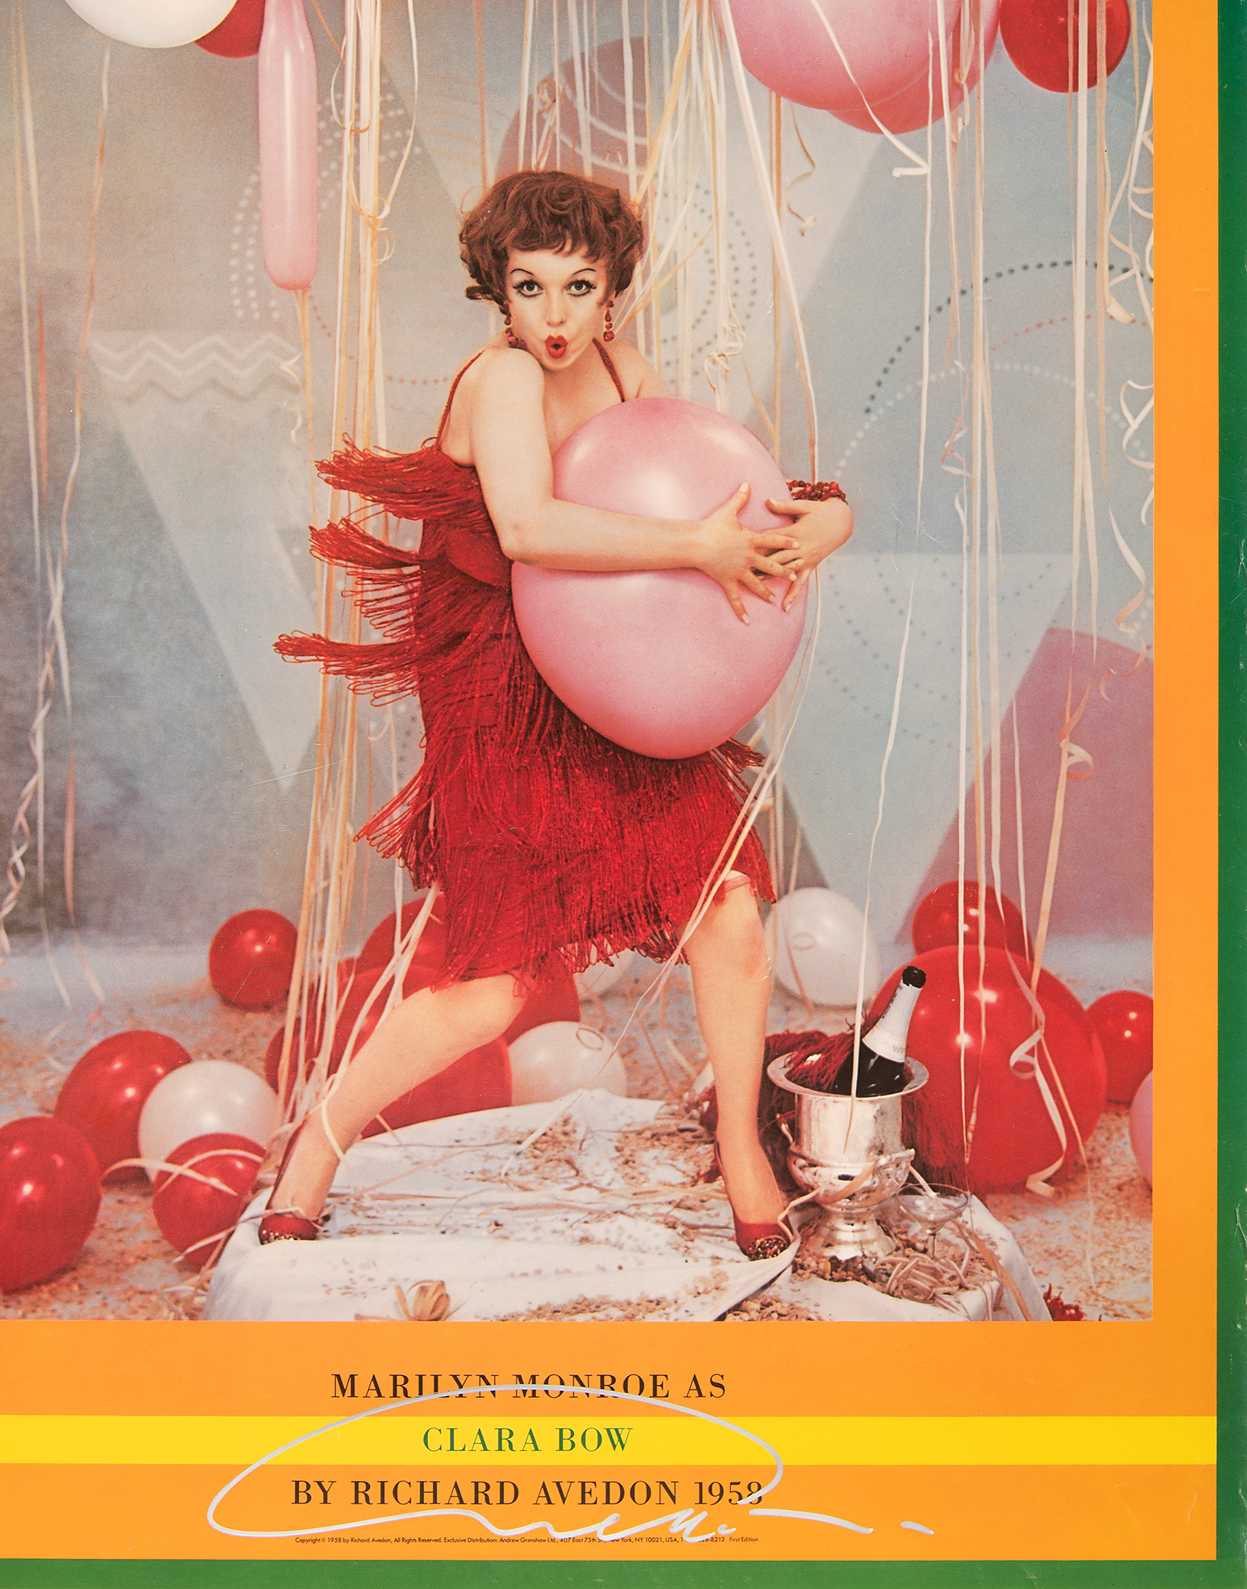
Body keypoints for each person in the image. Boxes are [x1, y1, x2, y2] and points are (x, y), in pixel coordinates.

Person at [260, 169, 852, 1259]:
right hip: (502, 688)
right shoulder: (498, 381)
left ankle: (740, 1145)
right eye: (527, 286)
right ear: (496, 288)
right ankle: (318, 1143)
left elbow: (713, 489)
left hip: (613, 670)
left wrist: (828, 518)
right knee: (491, 989)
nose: (553, 316)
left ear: (613, 288)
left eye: (578, 286)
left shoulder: (627, 373)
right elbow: (529, 530)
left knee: (726, 907)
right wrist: (699, 548)